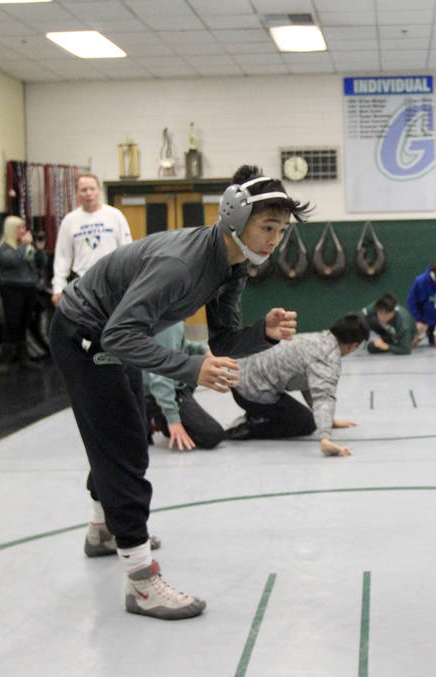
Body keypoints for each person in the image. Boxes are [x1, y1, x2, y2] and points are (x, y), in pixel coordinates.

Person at [48, 164, 308, 620]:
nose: (273, 240)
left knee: (120, 442)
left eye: (281, 231)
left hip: (113, 336)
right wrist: (190, 368)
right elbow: (117, 336)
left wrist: (261, 334)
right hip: (84, 335)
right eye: (267, 227)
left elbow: (223, 341)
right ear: (234, 218)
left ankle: (103, 530)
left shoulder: (233, 264)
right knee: (125, 451)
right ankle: (142, 582)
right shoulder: (182, 263)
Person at [225, 314, 369, 456]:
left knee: (303, 415)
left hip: (242, 376)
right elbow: (323, 396)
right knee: (306, 423)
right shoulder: (328, 359)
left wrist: (329, 421)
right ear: (353, 346)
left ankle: (257, 414)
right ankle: (248, 427)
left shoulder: (318, 338)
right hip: (250, 391)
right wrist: (325, 439)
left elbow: (309, 384)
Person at [51, 173, 132, 306]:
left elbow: (127, 251)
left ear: (99, 191)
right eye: (83, 190)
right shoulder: (70, 220)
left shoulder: (115, 215)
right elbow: (62, 257)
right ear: (77, 194)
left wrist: (130, 282)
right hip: (83, 284)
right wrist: (58, 288)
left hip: (112, 283)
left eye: (92, 189)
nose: (89, 193)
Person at [144, 322, 225, 451]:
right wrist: (173, 420)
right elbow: (160, 373)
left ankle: (167, 412)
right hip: (155, 391)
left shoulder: (172, 318)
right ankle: (157, 416)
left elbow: (180, 345)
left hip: (169, 383)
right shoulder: (165, 324)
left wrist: (204, 351)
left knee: (199, 362)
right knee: (212, 435)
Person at [0, 216, 47, 369]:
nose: (24, 231)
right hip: (12, 287)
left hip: (28, 287)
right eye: (20, 228)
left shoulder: (26, 247)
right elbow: (13, 262)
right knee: (12, 322)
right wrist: (24, 246)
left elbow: (36, 264)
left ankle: (24, 357)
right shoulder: (4, 248)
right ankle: (5, 360)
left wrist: (40, 250)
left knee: (24, 322)